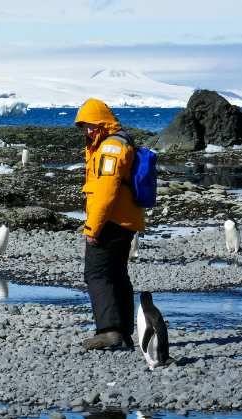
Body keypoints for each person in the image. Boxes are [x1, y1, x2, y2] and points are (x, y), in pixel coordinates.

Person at [74, 98, 145, 350]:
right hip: (124, 220)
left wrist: (93, 228)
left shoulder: (111, 148)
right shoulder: (112, 142)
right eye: (84, 127)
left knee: (97, 274)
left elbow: (106, 190)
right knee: (117, 275)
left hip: (111, 221)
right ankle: (124, 333)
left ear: (102, 122)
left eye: (90, 125)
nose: (87, 131)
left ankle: (109, 331)